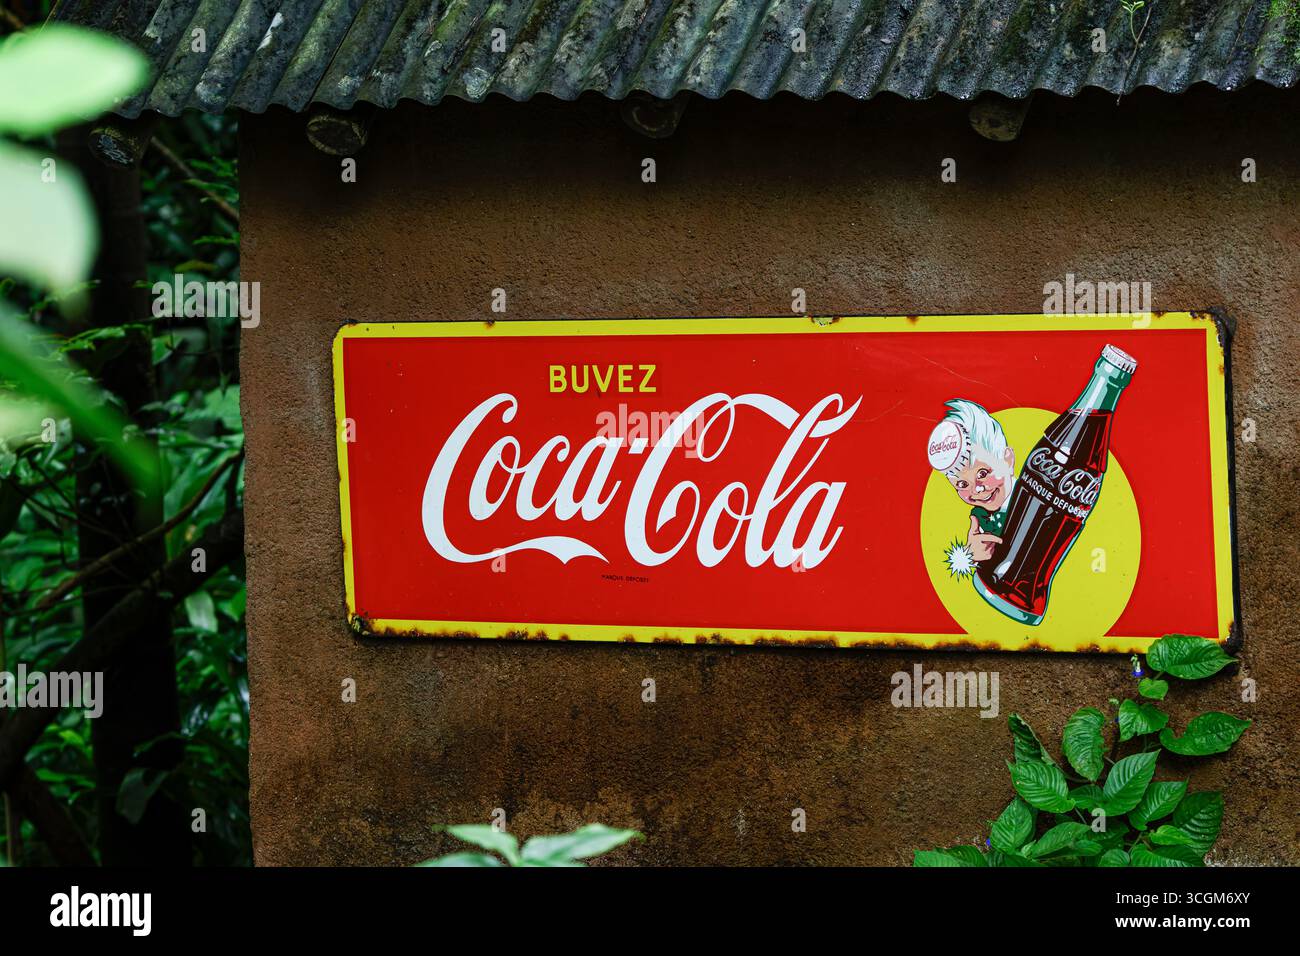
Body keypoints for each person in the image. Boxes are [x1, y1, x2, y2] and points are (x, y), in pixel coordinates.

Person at [926, 400, 1017, 562]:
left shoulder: (1034, 498)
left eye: (982, 473)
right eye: (962, 484)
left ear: (1008, 460)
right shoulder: (979, 518)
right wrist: (973, 556)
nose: (977, 490)